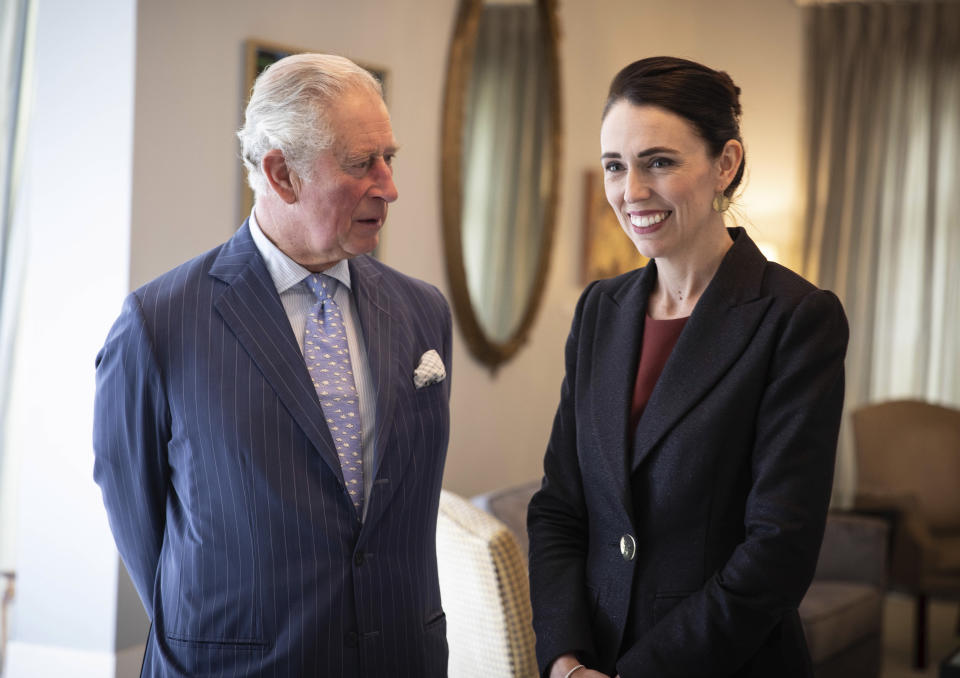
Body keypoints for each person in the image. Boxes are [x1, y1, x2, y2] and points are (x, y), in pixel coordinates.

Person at [93, 54, 452, 677]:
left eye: (389, 158)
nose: (389, 185)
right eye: (362, 163)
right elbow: (141, 521)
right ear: (282, 174)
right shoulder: (160, 322)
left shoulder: (422, 312)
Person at [527, 56, 849, 678]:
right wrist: (566, 661)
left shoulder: (796, 318)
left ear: (725, 164)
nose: (631, 192)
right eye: (615, 167)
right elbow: (559, 508)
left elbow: (777, 552)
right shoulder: (599, 308)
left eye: (660, 162)